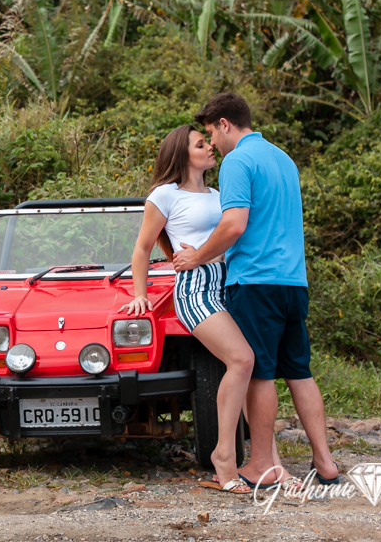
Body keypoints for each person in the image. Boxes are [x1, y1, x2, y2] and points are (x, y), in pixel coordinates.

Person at [171, 93, 340, 488]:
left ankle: (262, 464)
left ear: (225, 123)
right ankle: (326, 462)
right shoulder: (283, 159)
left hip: (256, 281)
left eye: (212, 132)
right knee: (299, 371)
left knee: (260, 374)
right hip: (294, 282)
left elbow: (234, 225)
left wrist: (198, 257)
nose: (212, 142)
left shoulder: (238, 161)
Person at [123, 125, 255, 493]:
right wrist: (140, 293)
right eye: (201, 144)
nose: (210, 147)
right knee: (242, 360)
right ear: (183, 155)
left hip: (228, 283)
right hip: (196, 289)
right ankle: (224, 458)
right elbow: (142, 248)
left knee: (252, 365)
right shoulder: (165, 195)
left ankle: (262, 455)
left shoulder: (218, 192)